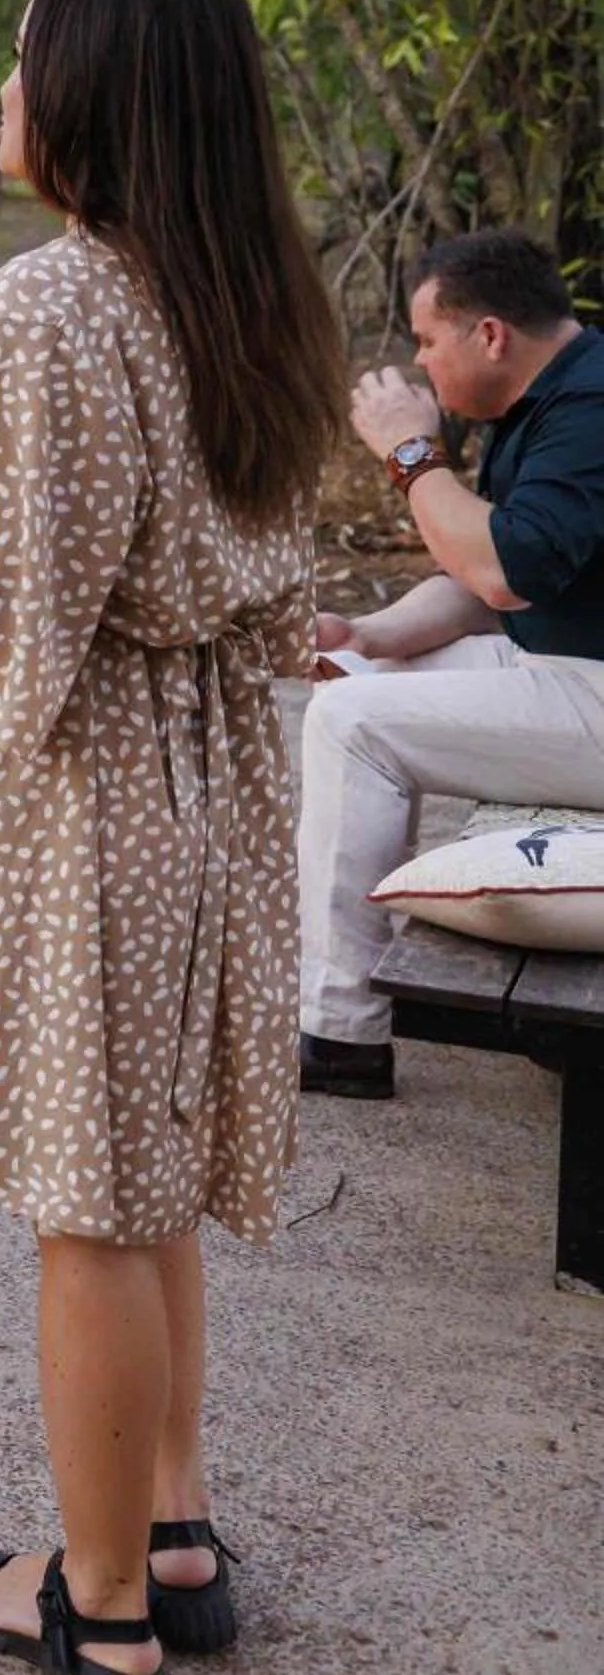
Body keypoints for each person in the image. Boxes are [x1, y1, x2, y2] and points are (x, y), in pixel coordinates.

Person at [0, 0, 343, 1675]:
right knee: (151, 1166)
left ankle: (98, 1603)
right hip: (215, 769)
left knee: (88, 1208)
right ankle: (173, 1532)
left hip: (94, 783)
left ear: (99, 89)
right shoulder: (256, 291)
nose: (6, 92)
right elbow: (268, 599)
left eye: (27, 59)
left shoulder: (57, 302)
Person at [298, 227, 604, 1099]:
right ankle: (329, 992)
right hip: (572, 669)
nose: (422, 365)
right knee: (365, 687)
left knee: (351, 726)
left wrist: (410, 455)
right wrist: (367, 635)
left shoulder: (591, 413)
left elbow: (504, 572)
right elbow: (487, 578)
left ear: (491, 334)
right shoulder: (557, 400)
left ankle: (340, 1031)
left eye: (428, 341)